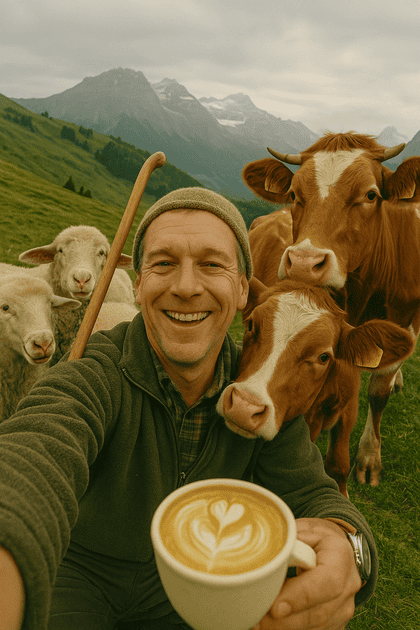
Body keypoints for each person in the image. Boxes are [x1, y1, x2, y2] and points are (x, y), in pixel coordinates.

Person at [0, 187, 377, 630]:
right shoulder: (93, 373)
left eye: (212, 265)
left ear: (241, 291)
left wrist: (351, 548)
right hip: (76, 580)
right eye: (163, 263)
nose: (185, 287)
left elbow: (317, 495)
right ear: (137, 284)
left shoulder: (256, 392)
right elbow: (34, 454)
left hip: (192, 596)